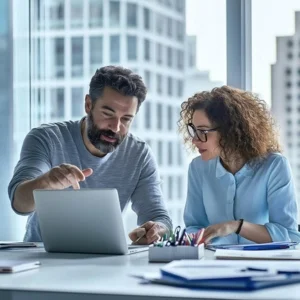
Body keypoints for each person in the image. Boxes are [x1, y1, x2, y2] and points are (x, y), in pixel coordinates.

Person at [8, 65, 172, 244]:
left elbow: (160, 218)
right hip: (41, 257)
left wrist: (155, 230)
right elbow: (19, 203)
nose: (116, 127)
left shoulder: (139, 154)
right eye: (108, 114)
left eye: (126, 119)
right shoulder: (46, 138)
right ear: (88, 104)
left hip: (104, 261)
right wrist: (48, 182)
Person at [178, 85, 300, 245]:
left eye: (203, 131)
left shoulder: (274, 166)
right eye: (193, 131)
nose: (194, 140)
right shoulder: (197, 168)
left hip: (262, 264)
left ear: (230, 131)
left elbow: (290, 235)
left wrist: (236, 226)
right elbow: (194, 226)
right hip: (213, 262)